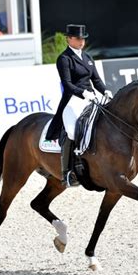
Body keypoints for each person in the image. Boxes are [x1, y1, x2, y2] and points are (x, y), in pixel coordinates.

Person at [45, 24, 113, 187]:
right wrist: (83, 93)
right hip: (73, 100)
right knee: (72, 131)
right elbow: (67, 84)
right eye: (78, 39)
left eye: (83, 38)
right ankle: (67, 172)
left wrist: (105, 91)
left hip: (91, 97)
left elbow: (96, 80)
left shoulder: (88, 58)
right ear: (69, 39)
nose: (81, 42)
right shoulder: (64, 58)